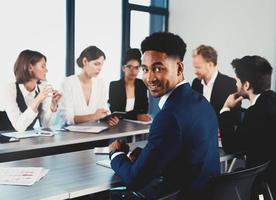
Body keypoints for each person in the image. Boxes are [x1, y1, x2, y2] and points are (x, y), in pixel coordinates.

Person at [108, 32, 220, 199]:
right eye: (145, 69)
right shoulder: (202, 102)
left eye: (158, 68)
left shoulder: (169, 116)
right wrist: (146, 157)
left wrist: (116, 154)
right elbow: (183, 151)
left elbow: (134, 179)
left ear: (180, 68)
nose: (150, 78)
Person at [219, 55, 275, 197]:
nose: (236, 85)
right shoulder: (271, 101)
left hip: (262, 186)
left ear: (246, 85)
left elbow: (231, 146)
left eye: (237, 81)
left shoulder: (255, 113)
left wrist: (225, 109)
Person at [0, 50, 61, 132]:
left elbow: (46, 125)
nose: (46, 70)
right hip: (6, 141)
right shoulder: (10, 89)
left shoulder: (42, 87)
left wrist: (53, 106)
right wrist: (38, 99)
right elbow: (19, 127)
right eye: (43, 66)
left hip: (29, 140)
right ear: (30, 67)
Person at [60, 46, 118, 126]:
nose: (100, 68)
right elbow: (67, 118)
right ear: (85, 61)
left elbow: (104, 110)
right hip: (71, 135)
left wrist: (109, 118)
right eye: (96, 64)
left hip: (94, 133)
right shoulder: (68, 83)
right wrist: (93, 116)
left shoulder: (100, 83)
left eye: (101, 65)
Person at [192, 45, 238, 117]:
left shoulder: (230, 84)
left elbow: (235, 118)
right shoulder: (196, 83)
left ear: (210, 65)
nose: (195, 72)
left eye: (198, 67)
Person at [108, 48, 151, 121]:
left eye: (136, 67)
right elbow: (115, 112)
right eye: (129, 67)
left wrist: (138, 116)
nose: (133, 71)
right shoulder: (114, 86)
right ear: (123, 68)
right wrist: (136, 116)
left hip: (138, 125)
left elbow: (144, 110)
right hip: (119, 124)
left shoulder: (141, 84)